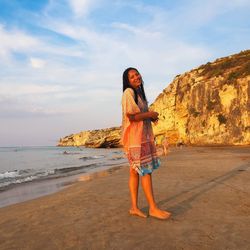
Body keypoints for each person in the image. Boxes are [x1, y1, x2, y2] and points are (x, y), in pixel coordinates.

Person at [121, 67, 171, 220]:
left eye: (137, 74)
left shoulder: (139, 94)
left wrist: (150, 117)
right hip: (136, 140)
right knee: (146, 171)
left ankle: (134, 208)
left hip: (140, 137)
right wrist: (149, 114)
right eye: (132, 76)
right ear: (127, 81)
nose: (136, 77)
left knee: (135, 171)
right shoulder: (128, 93)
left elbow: (139, 116)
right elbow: (131, 117)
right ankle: (153, 208)